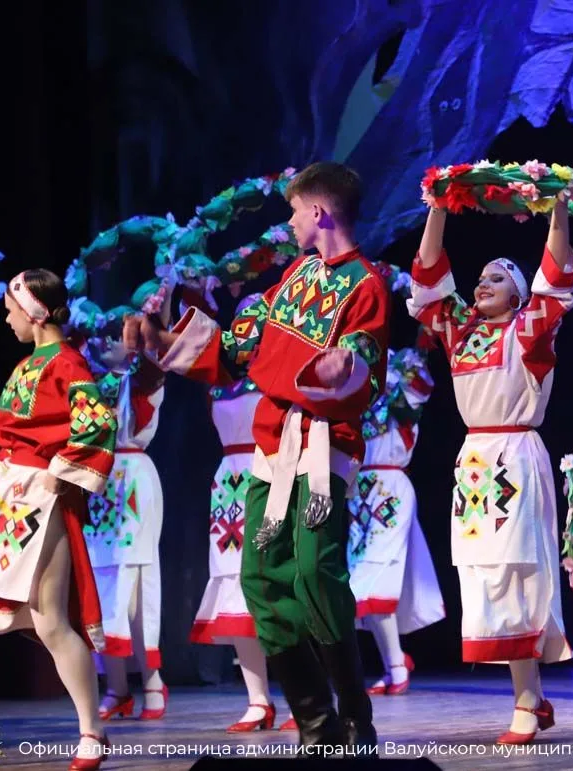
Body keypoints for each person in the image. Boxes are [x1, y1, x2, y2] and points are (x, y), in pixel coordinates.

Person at [123, 161, 390, 748]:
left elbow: (364, 355)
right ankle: (316, 721)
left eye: (295, 211)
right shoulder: (294, 277)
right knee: (262, 578)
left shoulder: (365, 283)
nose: (290, 223)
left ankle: (354, 713)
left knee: (314, 571)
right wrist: (163, 342)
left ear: (318, 212)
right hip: (273, 448)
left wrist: (345, 366)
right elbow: (237, 347)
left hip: (322, 446)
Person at [407, 199, 573, 744]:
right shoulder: (460, 331)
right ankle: (532, 697)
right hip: (475, 464)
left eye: (496, 278)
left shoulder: (530, 330)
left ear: (518, 295)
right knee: (482, 574)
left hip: (516, 457)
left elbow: (556, 276)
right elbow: (428, 278)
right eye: (480, 278)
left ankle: (527, 702)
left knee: (516, 573)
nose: (482, 284)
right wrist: (437, 208)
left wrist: (558, 210)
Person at [0, 270, 116, 770]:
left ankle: (91, 731)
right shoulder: (28, 364)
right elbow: (11, 437)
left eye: (11, 310)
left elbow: (96, 424)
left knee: (50, 622)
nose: (7, 319)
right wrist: (0, 473)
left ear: (35, 312)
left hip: (40, 503)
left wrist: (57, 474)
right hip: (8, 504)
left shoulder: (68, 364)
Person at [186, 293, 292, 732]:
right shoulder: (222, 382)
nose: (245, 332)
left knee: (282, 586)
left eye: (255, 323)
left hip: (272, 473)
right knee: (235, 586)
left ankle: (307, 697)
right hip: (229, 485)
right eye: (240, 324)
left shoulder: (282, 376)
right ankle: (258, 700)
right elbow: (186, 345)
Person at [350, 340, 445, 696]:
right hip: (359, 492)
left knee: (376, 578)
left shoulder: (401, 375)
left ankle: (395, 666)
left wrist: (403, 365)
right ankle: (394, 663)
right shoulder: (354, 385)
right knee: (362, 583)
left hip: (390, 487)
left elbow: (420, 392)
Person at [80, 334, 168, 721]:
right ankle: (116, 687)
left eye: (115, 335)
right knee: (101, 583)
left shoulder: (141, 377)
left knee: (136, 581)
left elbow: (155, 359)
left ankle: (152, 682)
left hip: (133, 479)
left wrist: (152, 317)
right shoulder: (90, 382)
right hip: (99, 483)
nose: (105, 342)